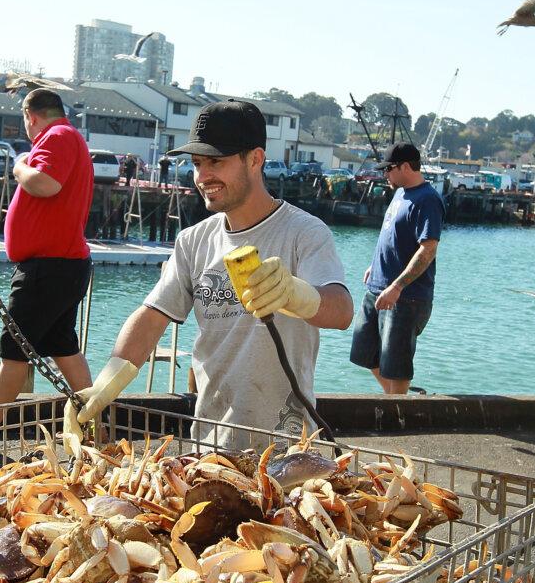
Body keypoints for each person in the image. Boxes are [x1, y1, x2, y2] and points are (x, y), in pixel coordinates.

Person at [66, 100, 354, 450]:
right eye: (197, 163)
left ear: (255, 159)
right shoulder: (193, 241)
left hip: (287, 444)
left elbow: (342, 311)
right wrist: (105, 384)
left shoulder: (304, 232)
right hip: (209, 443)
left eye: (216, 161)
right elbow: (151, 318)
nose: (202, 177)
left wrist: (296, 294)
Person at [0, 89, 95, 449]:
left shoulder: (57, 136)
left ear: (30, 116)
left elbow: (45, 183)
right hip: (63, 265)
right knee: (63, 345)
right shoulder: (68, 137)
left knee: (14, 346)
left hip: (49, 266)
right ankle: (95, 425)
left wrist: (19, 165)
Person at [349, 142, 444, 394]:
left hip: (406, 297)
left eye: (388, 169)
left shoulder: (427, 200)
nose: (385, 174)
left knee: (396, 367)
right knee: (364, 353)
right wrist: (374, 265)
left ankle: (397, 406)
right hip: (377, 287)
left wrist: (397, 286)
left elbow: (428, 249)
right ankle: (394, 398)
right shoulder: (400, 193)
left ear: (405, 167)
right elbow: (392, 235)